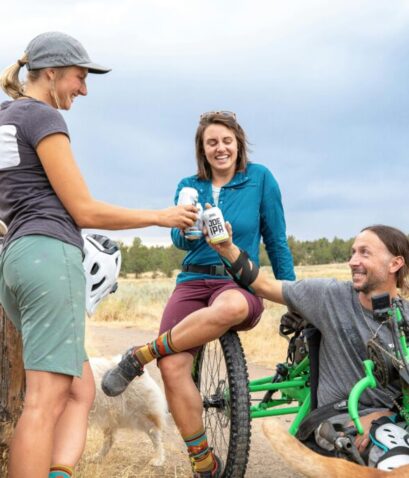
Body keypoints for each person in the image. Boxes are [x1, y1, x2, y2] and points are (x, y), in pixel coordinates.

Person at [0, 31, 197, 478]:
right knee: (43, 401)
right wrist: (160, 216)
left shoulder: (5, 117)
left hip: (15, 260)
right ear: (50, 74)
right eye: (78, 77)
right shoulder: (42, 117)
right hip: (50, 257)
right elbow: (83, 209)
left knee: (80, 389)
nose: (83, 89)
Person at [102, 111, 295, 477]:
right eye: (212, 143)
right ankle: (203, 463)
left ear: (238, 143)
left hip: (237, 280)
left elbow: (277, 240)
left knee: (233, 306)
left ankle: (141, 352)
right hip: (192, 281)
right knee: (173, 367)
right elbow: (177, 237)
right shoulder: (188, 184)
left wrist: (293, 295)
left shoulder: (260, 179)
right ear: (202, 149)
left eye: (226, 141)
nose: (220, 148)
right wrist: (185, 229)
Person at [209, 222, 409, 469]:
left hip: (394, 416)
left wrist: (384, 416)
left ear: (395, 264)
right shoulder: (329, 297)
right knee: (395, 461)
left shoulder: (405, 318)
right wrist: (227, 248)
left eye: (364, 253)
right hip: (340, 414)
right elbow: (263, 285)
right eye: (353, 252)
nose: (353, 261)